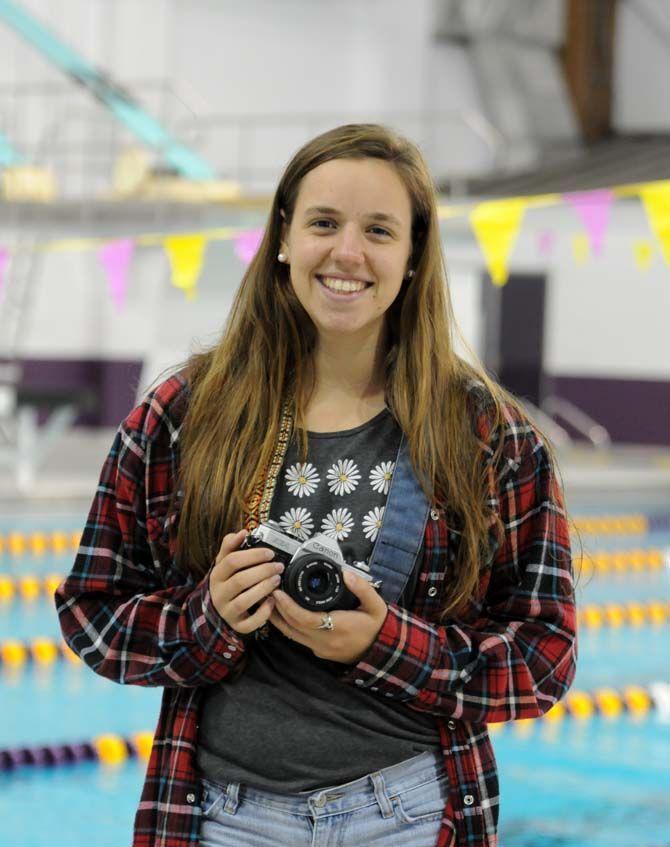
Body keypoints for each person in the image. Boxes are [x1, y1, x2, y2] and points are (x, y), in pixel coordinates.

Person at [55, 123, 577, 847]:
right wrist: (208, 618)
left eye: (379, 230)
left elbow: (546, 654)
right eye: (324, 223)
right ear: (282, 236)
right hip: (220, 815)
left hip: (413, 813)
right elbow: (91, 611)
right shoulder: (182, 415)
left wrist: (387, 642)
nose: (347, 253)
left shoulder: (488, 435)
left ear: (415, 257)